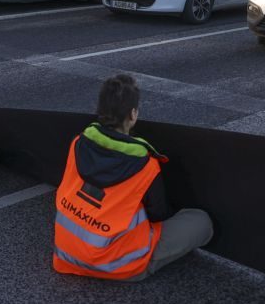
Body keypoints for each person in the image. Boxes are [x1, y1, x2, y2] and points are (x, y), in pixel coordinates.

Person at [53, 75, 213, 281]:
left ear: (99, 110)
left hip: (67, 253)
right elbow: (159, 214)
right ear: (133, 114)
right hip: (118, 264)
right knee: (201, 221)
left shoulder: (78, 143)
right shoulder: (144, 164)